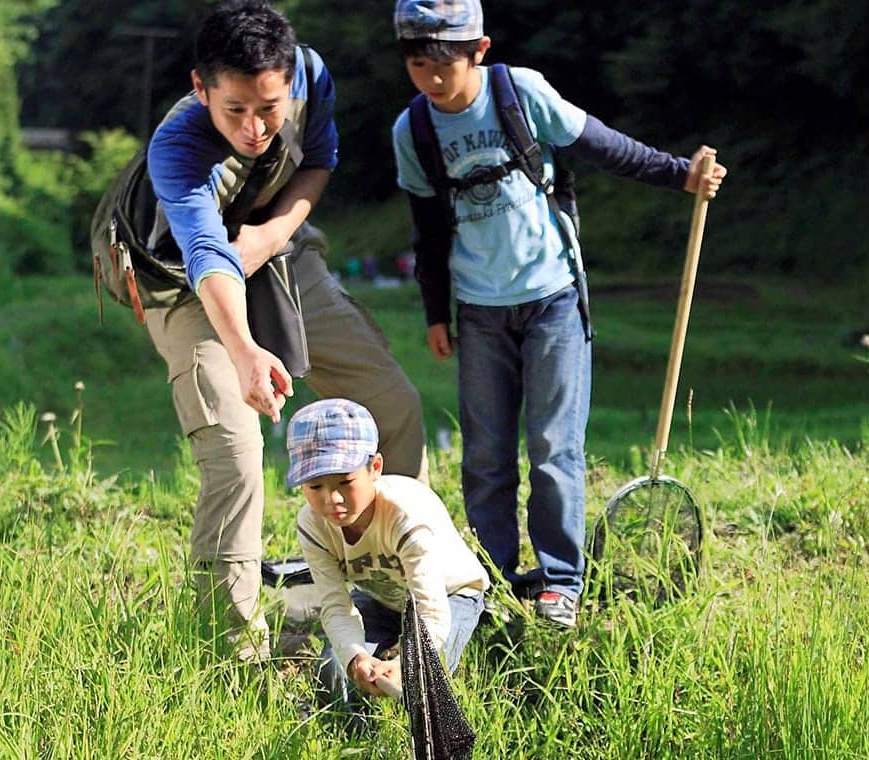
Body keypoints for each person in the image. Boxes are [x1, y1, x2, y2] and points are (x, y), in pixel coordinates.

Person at [390, 0, 726, 628]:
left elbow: (602, 146)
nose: (433, 79)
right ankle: (489, 576)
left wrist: (681, 175)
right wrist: (437, 314)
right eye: (417, 64)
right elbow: (427, 230)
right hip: (479, 309)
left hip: (553, 297)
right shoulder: (413, 130)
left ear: (479, 51)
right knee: (486, 453)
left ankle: (560, 581)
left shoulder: (521, 93)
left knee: (552, 446)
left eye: (445, 65)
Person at [137, 0, 426, 662]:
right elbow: (210, 254)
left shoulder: (312, 75)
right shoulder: (177, 149)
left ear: (290, 79)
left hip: (279, 246)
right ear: (200, 88)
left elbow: (317, 161)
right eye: (234, 109)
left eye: (269, 107)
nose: (256, 127)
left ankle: (395, 592)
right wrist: (242, 352)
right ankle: (231, 654)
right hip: (187, 278)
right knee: (236, 452)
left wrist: (271, 235)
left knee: (395, 404)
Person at [288, 399, 489, 710]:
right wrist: (356, 656)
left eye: (346, 481)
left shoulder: (405, 515)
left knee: (421, 680)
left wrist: (405, 664)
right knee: (334, 671)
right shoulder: (312, 525)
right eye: (315, 486)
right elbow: (335, 605)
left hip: (449, 596)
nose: (333, 499)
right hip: (382, 598)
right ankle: (350, 740)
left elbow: (432, 612)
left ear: (375, 468)